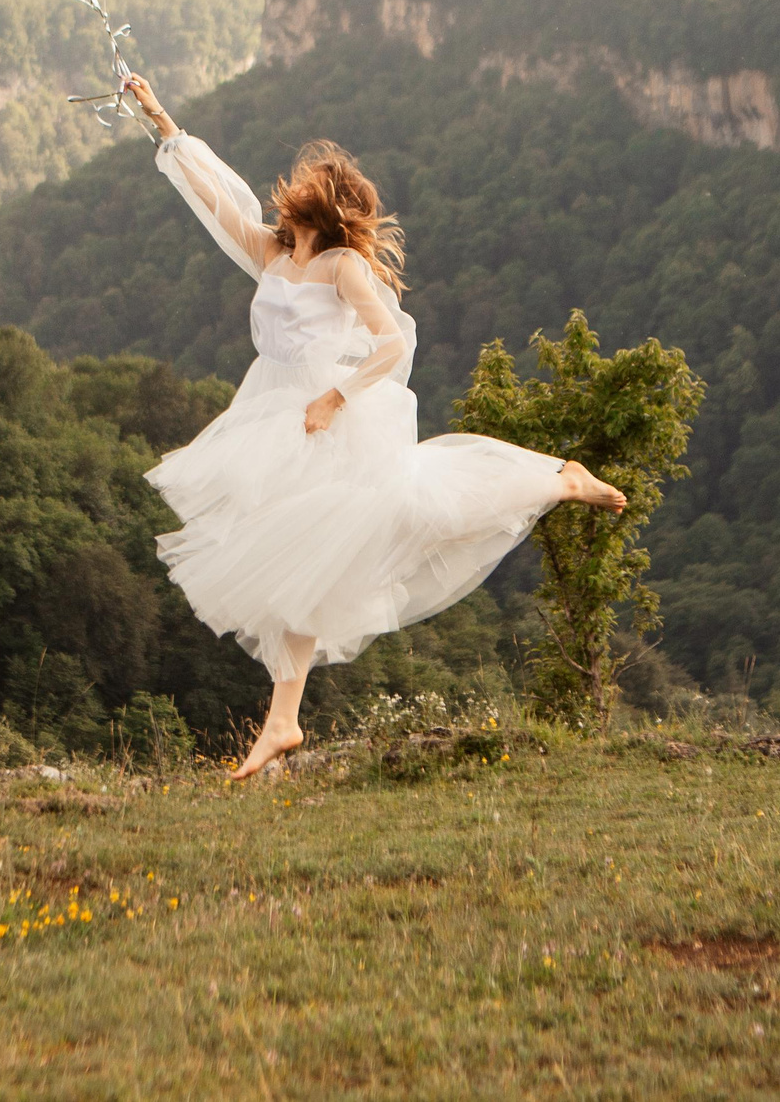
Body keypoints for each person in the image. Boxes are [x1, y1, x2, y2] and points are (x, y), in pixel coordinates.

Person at [121, 73, 626, 781]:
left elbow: (391, 343)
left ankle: (560, 481)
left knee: (422, 511)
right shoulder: (272, 252)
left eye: (306, 184)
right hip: (277, 417)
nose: (289, 187)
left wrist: (334, 397)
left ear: (323, 204)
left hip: (332, 418)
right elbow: (217, 196)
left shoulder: (343, 266)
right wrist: (161, 121)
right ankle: (283, 720)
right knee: (302, 563)